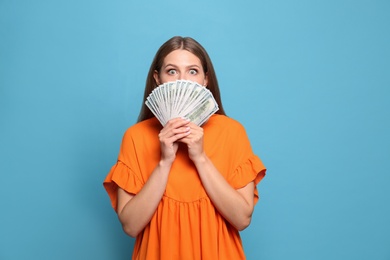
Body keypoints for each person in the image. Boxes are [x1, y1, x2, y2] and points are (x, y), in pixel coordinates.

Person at [103, 36, 266, 260]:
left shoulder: (233, 132)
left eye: (192, 71)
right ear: (157, 79)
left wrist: (200, 158)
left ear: (205, 79)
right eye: (172, 71)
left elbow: (242, 219)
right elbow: (130, 226)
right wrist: (164, 162)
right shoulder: (136, 137)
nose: (183, 80)